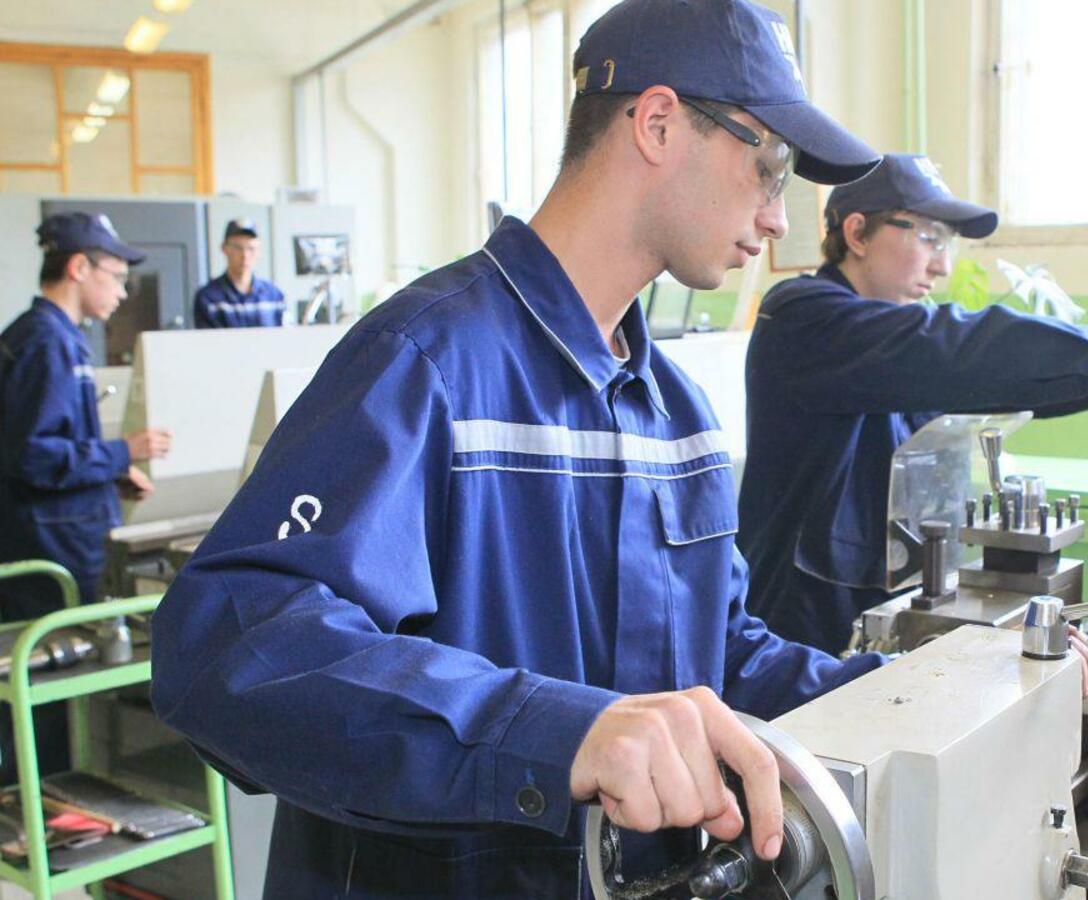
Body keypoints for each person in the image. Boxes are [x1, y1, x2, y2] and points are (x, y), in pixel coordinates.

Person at [149, 2, 892, 895]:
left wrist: (905, 696)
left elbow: (720, 655)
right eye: (768, 166)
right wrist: (552, 732)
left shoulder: (676, 414)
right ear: (658, 124)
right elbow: (231, 645)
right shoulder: (425, 364)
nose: (777, 219)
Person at [738, 153, 1088, 657]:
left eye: (948, 244)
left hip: (881, 618)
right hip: (801, 632)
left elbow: (1011, 385)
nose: (942, 265)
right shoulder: (803, 319)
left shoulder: (895, 351)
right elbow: (961, 350)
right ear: (857, 233)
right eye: (929, 238)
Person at [0, 211, 171, 781]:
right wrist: (123, 451)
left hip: (59, 537)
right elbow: (32, 455)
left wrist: (107, 475)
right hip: (46, 554)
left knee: (51, 695)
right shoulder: (44, 342)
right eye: (115, 276)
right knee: (45, 692)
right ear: (78, 267)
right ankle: (41, 807)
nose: (122, 292)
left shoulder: (56, 339)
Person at [191, 218, 286, 328]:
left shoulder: (274, 296)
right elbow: (206, 337)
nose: (245, 255)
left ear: (259, 251)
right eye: (237, 248)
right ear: (224, 248)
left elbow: (286, 334)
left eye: (251, 248)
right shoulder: (208, 298)